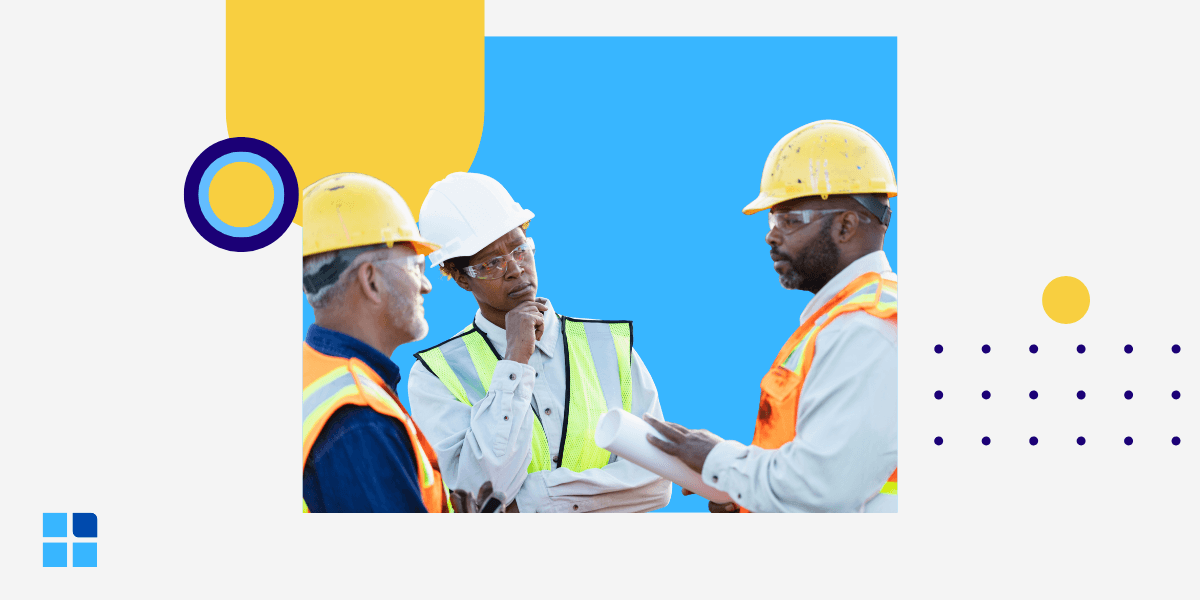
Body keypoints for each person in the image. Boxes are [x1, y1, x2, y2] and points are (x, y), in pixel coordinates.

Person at [645, 120, 898, 513]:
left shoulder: (866, 329)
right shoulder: (842, 322)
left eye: (790, 220)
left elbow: (821, 488)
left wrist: (718, 462)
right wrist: (749, 497)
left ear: (846, 225)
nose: (772, 235)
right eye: (772, 219)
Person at [408, 172, 672, 512]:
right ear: (460, 277)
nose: (515, 269)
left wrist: (532, 502)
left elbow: (657, 477)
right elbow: (474, 496)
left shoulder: (608, 345)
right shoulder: (435, 375)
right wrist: (515, 362)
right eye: (491, 263)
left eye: (519, 249)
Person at [301, 172, 452, 513]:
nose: (426, 285)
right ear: (371, 280)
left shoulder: (314, 375)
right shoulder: (359, 420)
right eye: (416, 266)